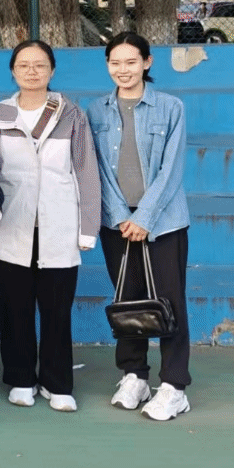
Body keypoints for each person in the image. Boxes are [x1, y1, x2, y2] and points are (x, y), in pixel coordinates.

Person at [0, 39, 100, 412]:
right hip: (11, 224)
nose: (32, 71)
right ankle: (20, 379)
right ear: (13, 71)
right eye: (24, 65)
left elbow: (86, 172)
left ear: (52, 70)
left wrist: (88, 228)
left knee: (57, 310)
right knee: (14, 309)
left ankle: (56, 382)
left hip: (59, 225)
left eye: (40, 65)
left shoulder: (72, 114)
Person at [88, 32, 192, 421]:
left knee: (169, 299)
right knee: (128, 298)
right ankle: (134, 375)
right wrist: (121, 216)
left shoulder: (171, 107)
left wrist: (144, 217)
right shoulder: (96, 111)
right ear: (107, 66)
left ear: (147, 63)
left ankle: (174, 385)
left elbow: (171, 168)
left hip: (163, 222)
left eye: (131, 62)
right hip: (117, 222)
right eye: (115, 63)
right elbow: (98, 168)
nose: (123, 70)